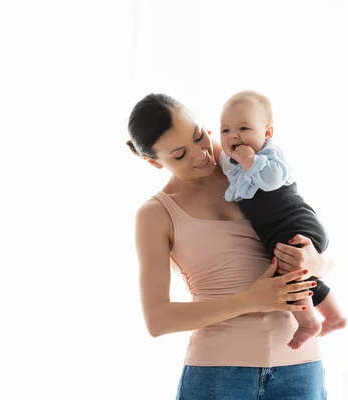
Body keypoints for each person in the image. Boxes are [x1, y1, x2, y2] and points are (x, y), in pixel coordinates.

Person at [127, 93, 332, 399]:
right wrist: (251, 300)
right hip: (219, 374)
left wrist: (316, 263)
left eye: (199, 136)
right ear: (152, 161)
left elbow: (308, 234)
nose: (202, 155)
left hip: (299, 367)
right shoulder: (155, 214)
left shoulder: (251, 165)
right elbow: (158, 320)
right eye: (180, 154)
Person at [219, 90, 347, 350]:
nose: (234, 136)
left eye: (243, 128)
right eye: (225, 130)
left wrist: (250, 160)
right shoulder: (233, 162)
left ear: (267, 133)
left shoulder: (271, 156)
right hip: (278, 233)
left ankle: (309, 322)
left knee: (290, 277)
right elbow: (222, 162)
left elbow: (271, 180)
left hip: (297, 225)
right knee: (299, 275)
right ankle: (334, 317)